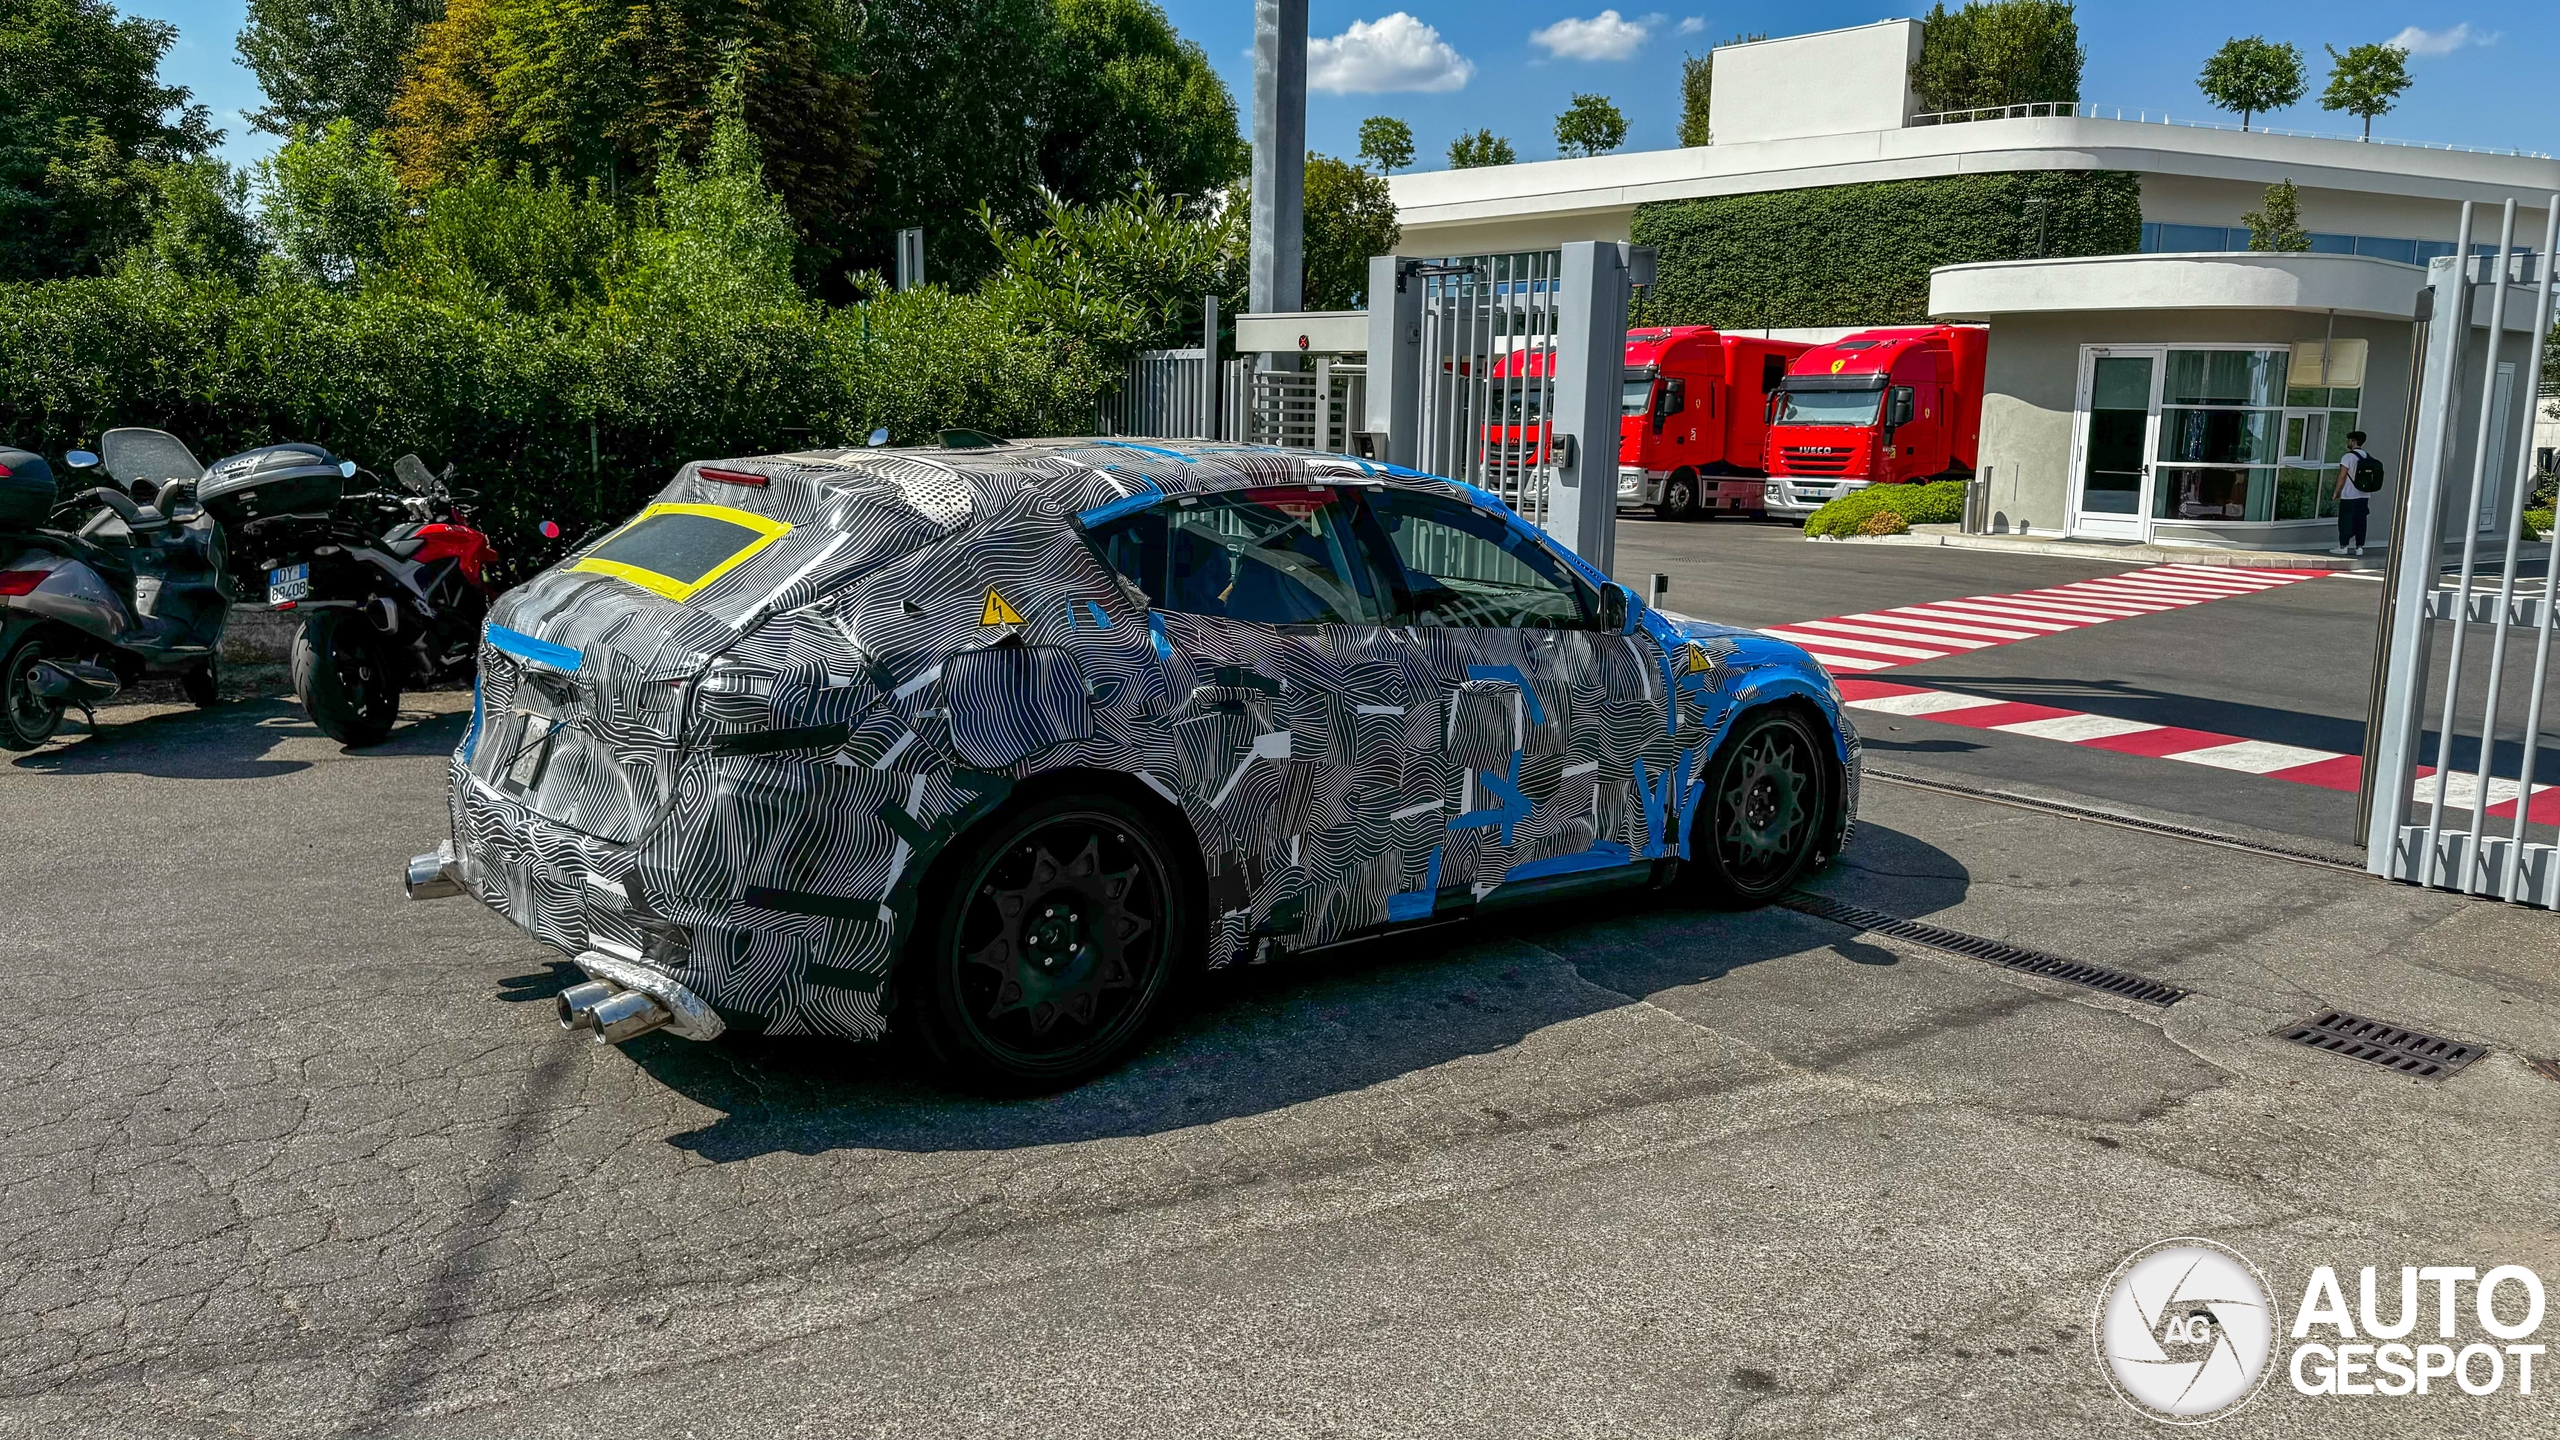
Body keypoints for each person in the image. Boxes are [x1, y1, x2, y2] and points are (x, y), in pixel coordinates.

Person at [2331, 430, 2373, 558]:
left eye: (2349, 440)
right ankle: (2359, 547)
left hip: (2349, 495)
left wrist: (2336, 491)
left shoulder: (2348, 457)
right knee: (2360, 521)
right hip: (2364, 495)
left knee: (2345, 521)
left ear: (2353, 442)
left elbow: (2342, 476)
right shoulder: (2367, 456)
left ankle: (2343, 546)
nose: (2348, 443)